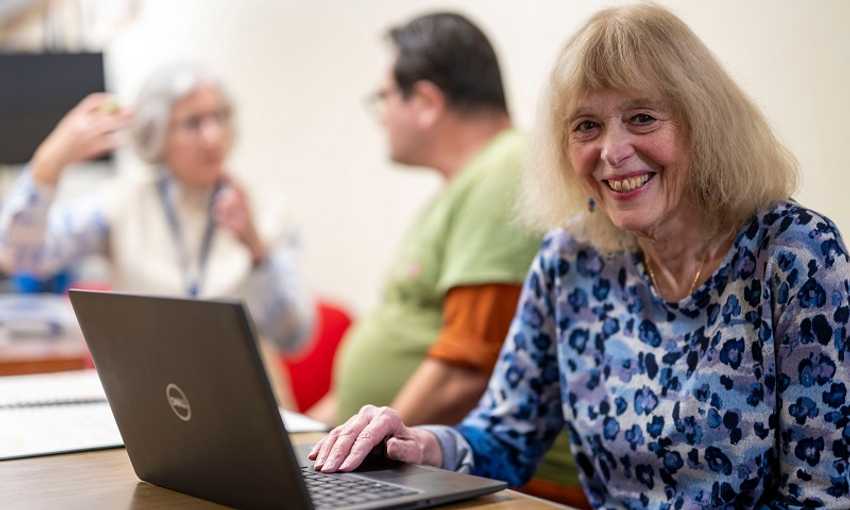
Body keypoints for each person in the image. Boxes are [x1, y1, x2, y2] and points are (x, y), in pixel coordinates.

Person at [308, 4, 850, 508]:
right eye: (586, 126)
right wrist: (421, 444)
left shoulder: (796, 254)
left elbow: (823, 492)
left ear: (703, 123)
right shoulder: (571, 259)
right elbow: (504, 436)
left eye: (641, 118)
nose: (611, 153)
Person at [305, 12, 584, 505]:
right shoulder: (466, 183)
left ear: (428, 102)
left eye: (384, 98)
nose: (382, 115)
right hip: (407, 466)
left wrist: (364, 457)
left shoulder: (504, 170)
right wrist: (314, 434)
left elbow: (466, 366)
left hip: (512, 484)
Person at [0, 64, 313, 402]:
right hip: (156, 402)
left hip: (247, 400)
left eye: (220, 117)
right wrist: (49, 163)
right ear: (157, 134)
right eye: (193, 123)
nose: (213, 137)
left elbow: (294, 336)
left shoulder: (263, 207)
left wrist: (255, 248)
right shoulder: (122, 202)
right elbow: (20, 259)